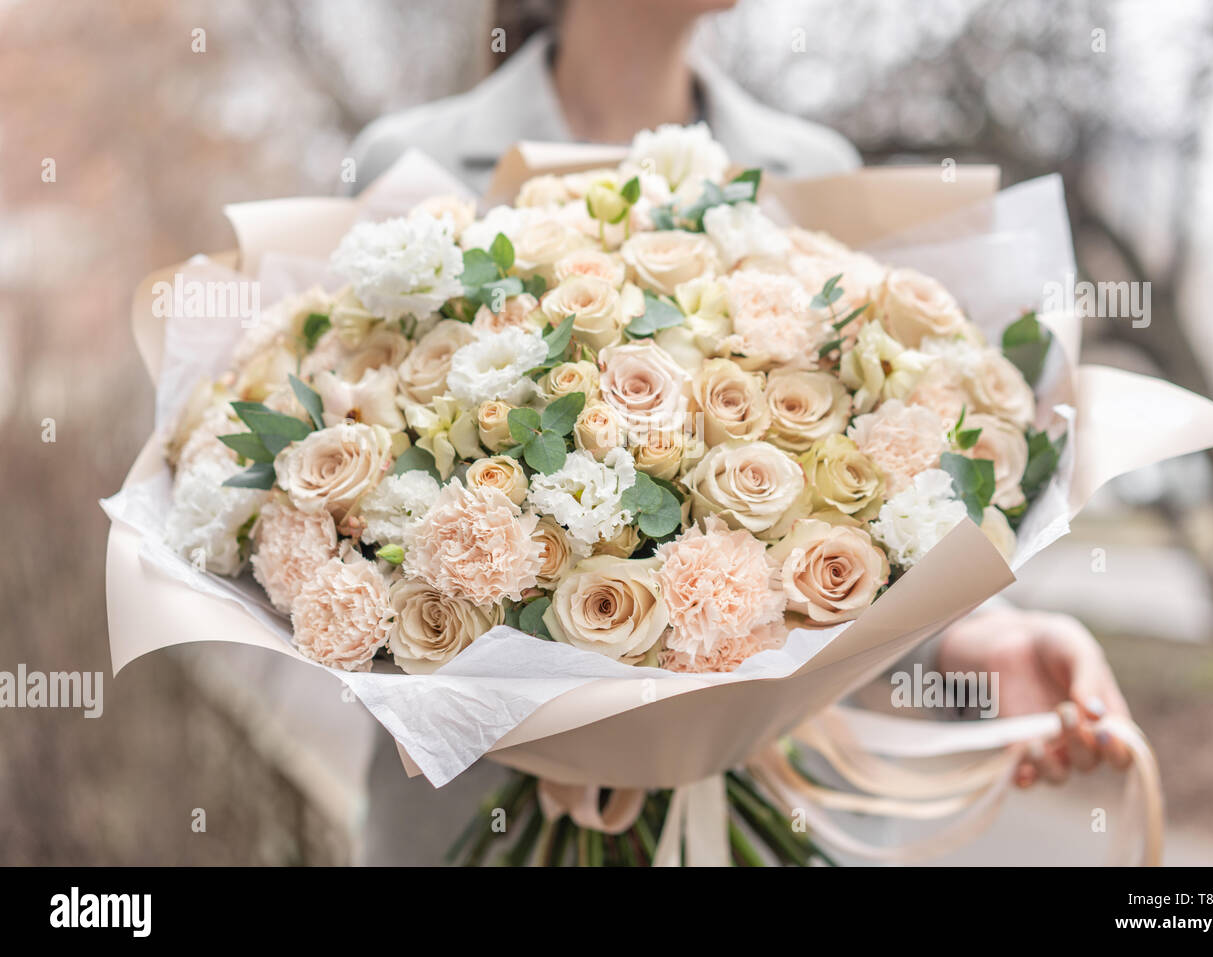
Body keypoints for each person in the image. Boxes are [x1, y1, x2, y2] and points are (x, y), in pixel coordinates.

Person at [349, 0, 1131, 864]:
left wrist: (981, 635)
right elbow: (357, 520)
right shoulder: (410, 162)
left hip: (773, 803)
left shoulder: (811, 167)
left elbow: (866, 497)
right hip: (479, 821)